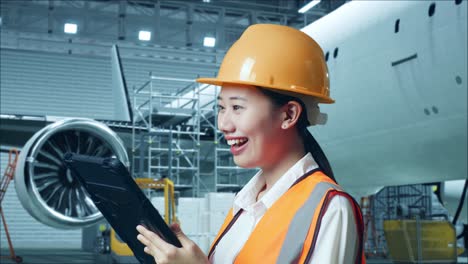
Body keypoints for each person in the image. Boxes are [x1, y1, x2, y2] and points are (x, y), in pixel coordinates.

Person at [136, 24, 365, 264]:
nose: (223, 124)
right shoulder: (246, 203)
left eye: (237, 107)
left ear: (288, 115)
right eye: (221, 108)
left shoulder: (331, 208)